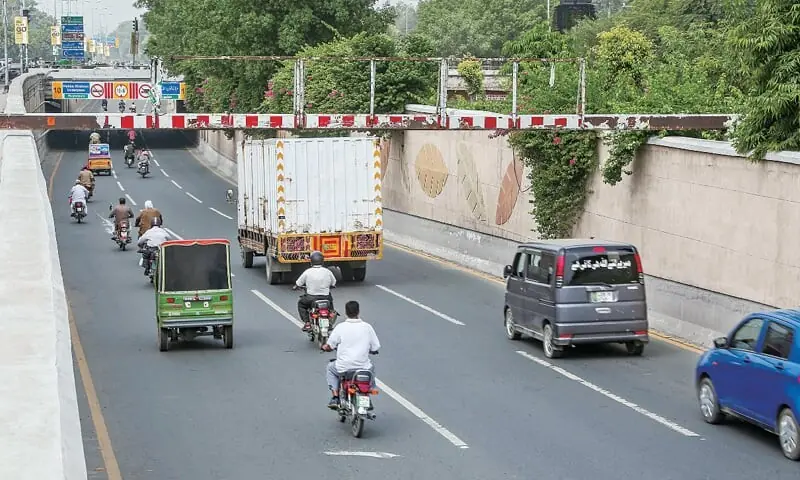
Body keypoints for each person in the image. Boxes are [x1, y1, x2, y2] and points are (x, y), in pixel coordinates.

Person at [321, 301, 380, 409]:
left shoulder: (340, 327)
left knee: (330, 368)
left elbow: (330, 344)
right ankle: (368, 394)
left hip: (344, 368)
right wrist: (371, 350)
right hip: (363, 367)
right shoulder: (367, 327)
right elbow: (375, 347)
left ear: (346, 312)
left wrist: (326, 347)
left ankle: (335, 397)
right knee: (371, 368)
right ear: (358, 311)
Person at [293, 250, 336, 332]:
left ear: (311, 262)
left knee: (301, 304)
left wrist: (296, 286)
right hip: (326, 297)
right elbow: (334, 282)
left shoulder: (307, 272)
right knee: (331, 306)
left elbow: (298, 283)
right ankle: (330, 320)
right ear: (322, 261)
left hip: (311, 298)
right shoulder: (327, 271)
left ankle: (307, 323)